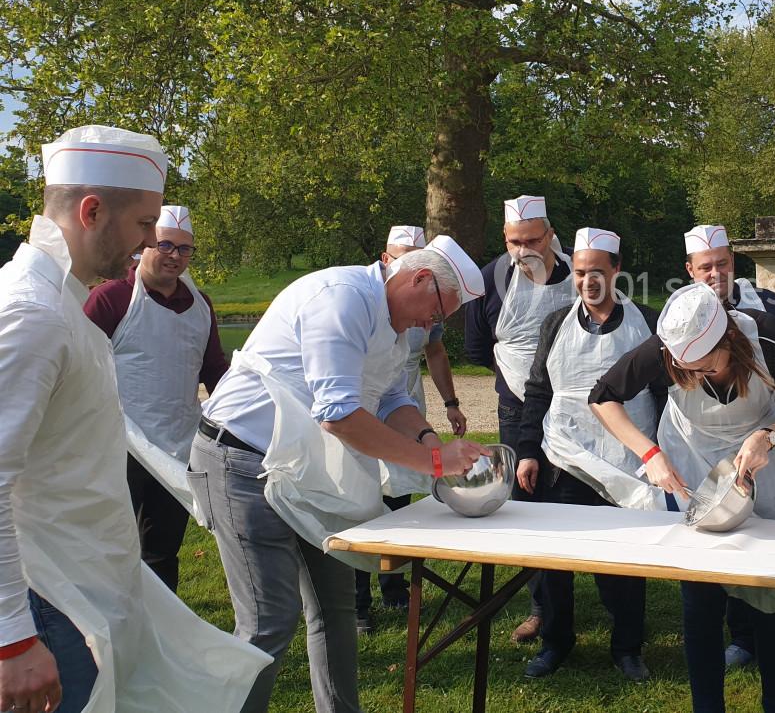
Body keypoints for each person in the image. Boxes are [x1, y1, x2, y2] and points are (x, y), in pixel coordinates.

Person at [0, 125, 269, 712]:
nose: (151, 241)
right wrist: (12, 640)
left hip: (82, 584)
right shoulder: (32, 314)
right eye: (146, 225)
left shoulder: (62, 303)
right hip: (47, 598)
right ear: (92, 211)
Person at [192, 234, 489, 713]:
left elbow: (393, 398)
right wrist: (435, 465)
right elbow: (340, 414)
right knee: (269, 620)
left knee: (336, 611)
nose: (429, 325)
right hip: (241, 461)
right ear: (419, 278)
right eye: (434, 312)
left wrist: (432, 441)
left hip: (306, 466)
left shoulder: (399, 325)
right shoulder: (341, 298)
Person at [590, 283, 775, 713]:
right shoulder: (665, 350)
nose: (694, 377)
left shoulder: (768, 336)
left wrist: (767, 438)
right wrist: (651, 454)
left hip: (764, 461)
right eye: (686, 371)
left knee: (769, 597)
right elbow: (603, 397)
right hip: (694, 464)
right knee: (700, 599)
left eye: (703, 368)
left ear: (728, 342)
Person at [683, 224, 775, 692]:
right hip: (714, 452)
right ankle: (744, 638)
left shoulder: (767, 306)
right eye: (705, 267)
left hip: (772, 442)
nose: (715, 273)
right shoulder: (683, 316)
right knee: (728, 544)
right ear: (689, 271)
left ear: (734, 264)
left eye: (722, 264)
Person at [513, 228, 664, 681]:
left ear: (617, 271)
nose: (587, 282)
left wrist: (663, 455)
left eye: (597, 272)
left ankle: (627, 647)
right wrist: (527, 451)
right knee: (556, 561)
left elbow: (665, 394)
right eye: (579, 273)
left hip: (626, 461)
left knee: (624, 560)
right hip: (563, 459)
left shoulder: (648, 323)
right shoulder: (555, 324)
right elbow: (537, 391)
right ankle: (556, 642)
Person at [83, 204, 229, 593]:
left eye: (184, 249)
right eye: (165, 245)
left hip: (177, 445)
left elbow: (214, 369)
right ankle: (105, 631)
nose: (174, 256)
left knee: (162, 550)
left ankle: (163, 635)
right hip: (117, 443)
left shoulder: (201, 305)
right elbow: (77, 367)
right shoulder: (110, 298)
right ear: (143, 247)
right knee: (108, 545)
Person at [465, 194, 574, 644]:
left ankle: (593, 588)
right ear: (504, 239)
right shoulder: (490, 278)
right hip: (514, 404)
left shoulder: (577, 274)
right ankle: (540, 609)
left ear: (550, 235)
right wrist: (521, 381)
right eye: (514, 241)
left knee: (573, 495)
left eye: (532, 239)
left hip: (571, 402)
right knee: (527, 503)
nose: (523, 248)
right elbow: (474, 345)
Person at [354, 225, 471, 634]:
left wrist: (434, 427)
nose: (429, 321)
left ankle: (395, 583)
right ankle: (357, 600)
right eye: (403, 257)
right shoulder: (354, 305)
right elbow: (340, 410)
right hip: (355, 420)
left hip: (402, 404)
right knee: (359, 497)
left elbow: (401, 383)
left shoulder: (414, 320)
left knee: (398, 498)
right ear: (392, 264)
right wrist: (432, 456)